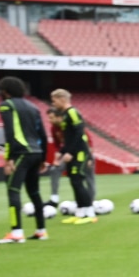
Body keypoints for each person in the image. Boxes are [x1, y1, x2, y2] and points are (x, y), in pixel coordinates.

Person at [0, 76, 48, 244]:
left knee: (13, 190)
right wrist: (44, 158)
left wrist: (8, 158)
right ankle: (41, 230)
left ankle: (16, 232)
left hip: (21, 153)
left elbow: (9, 133)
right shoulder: (34, 107)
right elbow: (43, 135)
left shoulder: (6, 106)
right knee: (34, 192)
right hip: (36, 152)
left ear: (5, 91)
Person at [50, 89, 98, 223]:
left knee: (78, 181)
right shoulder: (65, 114)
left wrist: (70, 152)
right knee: (74, 181)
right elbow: (69, 137)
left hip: (80, 153)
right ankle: (80, 213)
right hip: (73, 152)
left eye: (54, 100)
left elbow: (79, 133)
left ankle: (90, 213)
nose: (53, 104)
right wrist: (62, 151)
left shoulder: (72, 112)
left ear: (62, 99)